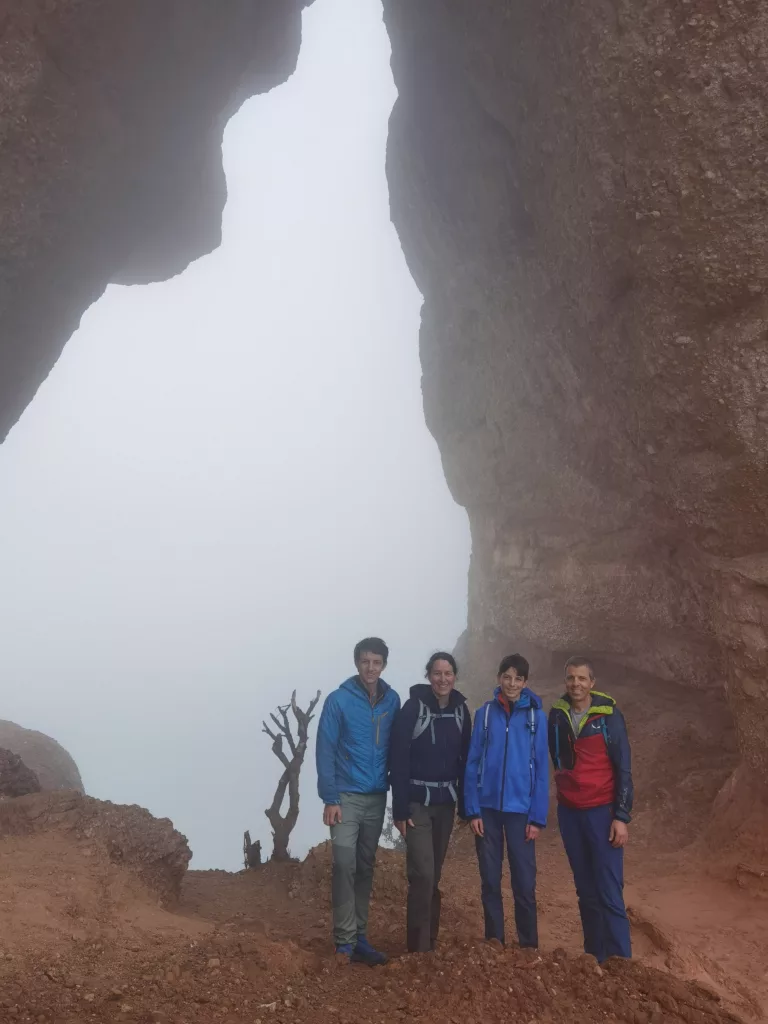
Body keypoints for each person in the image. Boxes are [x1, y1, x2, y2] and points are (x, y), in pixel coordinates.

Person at [315, 637, 401, 965]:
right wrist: (330, 798)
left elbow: (398, 746)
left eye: (376, 662)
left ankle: (360, 937)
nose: (370, 668)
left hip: (377, 796)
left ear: (383, 665)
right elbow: (325, 749)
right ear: (356, 663)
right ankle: (343, 941)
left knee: (365, 867)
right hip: (345, 797)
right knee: (343, 864)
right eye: (365, 661)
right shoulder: (338, 700)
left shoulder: (392, 700)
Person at [548, 656, 633, 962]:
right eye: (571, 678)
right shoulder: (557, 715)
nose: (576, 684)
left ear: (592, 683)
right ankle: (594, 959)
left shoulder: (609, 716)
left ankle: (621, 962)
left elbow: (623, 767)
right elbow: (557, 759)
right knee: (585, 890)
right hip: (571, 813)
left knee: (609, 890)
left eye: (582, 679)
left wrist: (621, 817)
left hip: (602, 812)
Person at [463, 653, 549, 948]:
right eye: (507, 677)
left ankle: (528, 946)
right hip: (486, 810)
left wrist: (537, 817)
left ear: (525, 682)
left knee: (524, 882)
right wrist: (472, 810)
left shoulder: (537, 717)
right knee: (490, 879)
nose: (512, 683)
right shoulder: (484, 714)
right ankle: (494, 941)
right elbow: (472, 763)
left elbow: (540, 770)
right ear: (499, 678)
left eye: (518, 678)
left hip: (521, 812)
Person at [390, 651, 471, 952]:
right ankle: (417, 948)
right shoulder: (413, 709)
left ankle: (429, 943)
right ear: (428, 676)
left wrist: (465, 805)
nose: (443, 679)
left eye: (448, 673)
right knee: (422, 872)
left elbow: (466, 761)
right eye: (437, 673)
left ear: (454, 676)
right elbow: (398, 759)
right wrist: (399, 809)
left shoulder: (462, 711)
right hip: (416, 804)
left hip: (446, 804)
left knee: (434, 874)